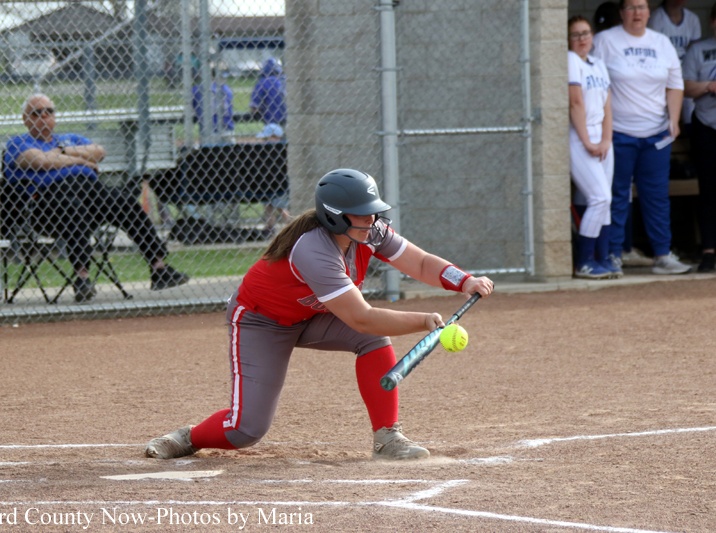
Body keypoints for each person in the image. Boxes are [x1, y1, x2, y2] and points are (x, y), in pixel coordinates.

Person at [144, 169, 495, 461]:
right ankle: (188, 437)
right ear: (333, 216)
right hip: (261, 322)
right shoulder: (314, 249)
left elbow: (417, 262)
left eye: (372, 210)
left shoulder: (369, 232)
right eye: (360, 212)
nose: (370, 219)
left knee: (372, 339)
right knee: (245, 430)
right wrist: (423, 321)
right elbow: (361, 316)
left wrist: (463, 280)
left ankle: (388, 438)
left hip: (312, 316)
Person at [3, 94, 189, 303]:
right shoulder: (17, 143)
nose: (44, 116)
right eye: (37, 113)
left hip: (91, 193)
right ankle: (82, 278)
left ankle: (159, 268)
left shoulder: (69, 139)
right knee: (73, 207)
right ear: (25, 119)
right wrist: (81, 161)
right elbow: (40, 160)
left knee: (125, 202)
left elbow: (99, 152)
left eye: (49, 111)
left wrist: (63, 152)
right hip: (48, 203)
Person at [592, 0, 692, 275]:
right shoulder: (605, 41)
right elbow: (595, 82)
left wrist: (673, 119)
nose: (637, 13)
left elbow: (675, 84)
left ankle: (662, 254)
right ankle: (613, 254)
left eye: (642, 7)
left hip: (656, 135)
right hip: (619, 132)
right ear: (622, 12)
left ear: (650, 12)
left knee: (657, 196)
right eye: (631, 7)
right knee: (617, 195)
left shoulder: (662, 43)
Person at [568, 16, 619, 279]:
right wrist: (588, 141)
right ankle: (585, 261)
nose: (582, 38)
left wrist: (606, 140)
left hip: (603, 138)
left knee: (605, 202)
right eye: (575, 34)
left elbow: (608, 106)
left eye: (586, 33)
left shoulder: (598, 63)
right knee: (600, 198)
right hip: (580, 137)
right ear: (568, 39)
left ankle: (603, 257)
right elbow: (575, 102)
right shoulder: (570, 60)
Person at [682, 2, 716, 272]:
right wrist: (709, 86)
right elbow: (684, 87)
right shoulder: (698, 49)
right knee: (709, 191)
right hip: (706, 126)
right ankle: (709, 251)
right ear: (712, 21)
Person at [649, 0, 701, 125]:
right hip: (664, 67)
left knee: (689, 97)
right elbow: (654, 51)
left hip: (686, 66)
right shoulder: (657, 17)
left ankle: (689, 131)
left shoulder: (692, 18)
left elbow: (694, 50)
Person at [255, 123, 291, 237]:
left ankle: (291, 226)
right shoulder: (264, 151)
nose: (264, 141)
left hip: (280, 184)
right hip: (266, 184)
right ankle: (270, 228)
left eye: (266, 139)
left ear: (276, 137)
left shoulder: (282, 149)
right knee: (268, 207)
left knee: (280, 208)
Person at [192, 68, 235, 135]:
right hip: (228, 129)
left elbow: (192, 109)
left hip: (208, 130)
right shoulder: (227, 89)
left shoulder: (198, 88)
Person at [250, 57, 287, 126]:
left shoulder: (263, 82)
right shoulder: (287, 80)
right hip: (290, 120)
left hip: (271, 122)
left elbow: (254, 107)